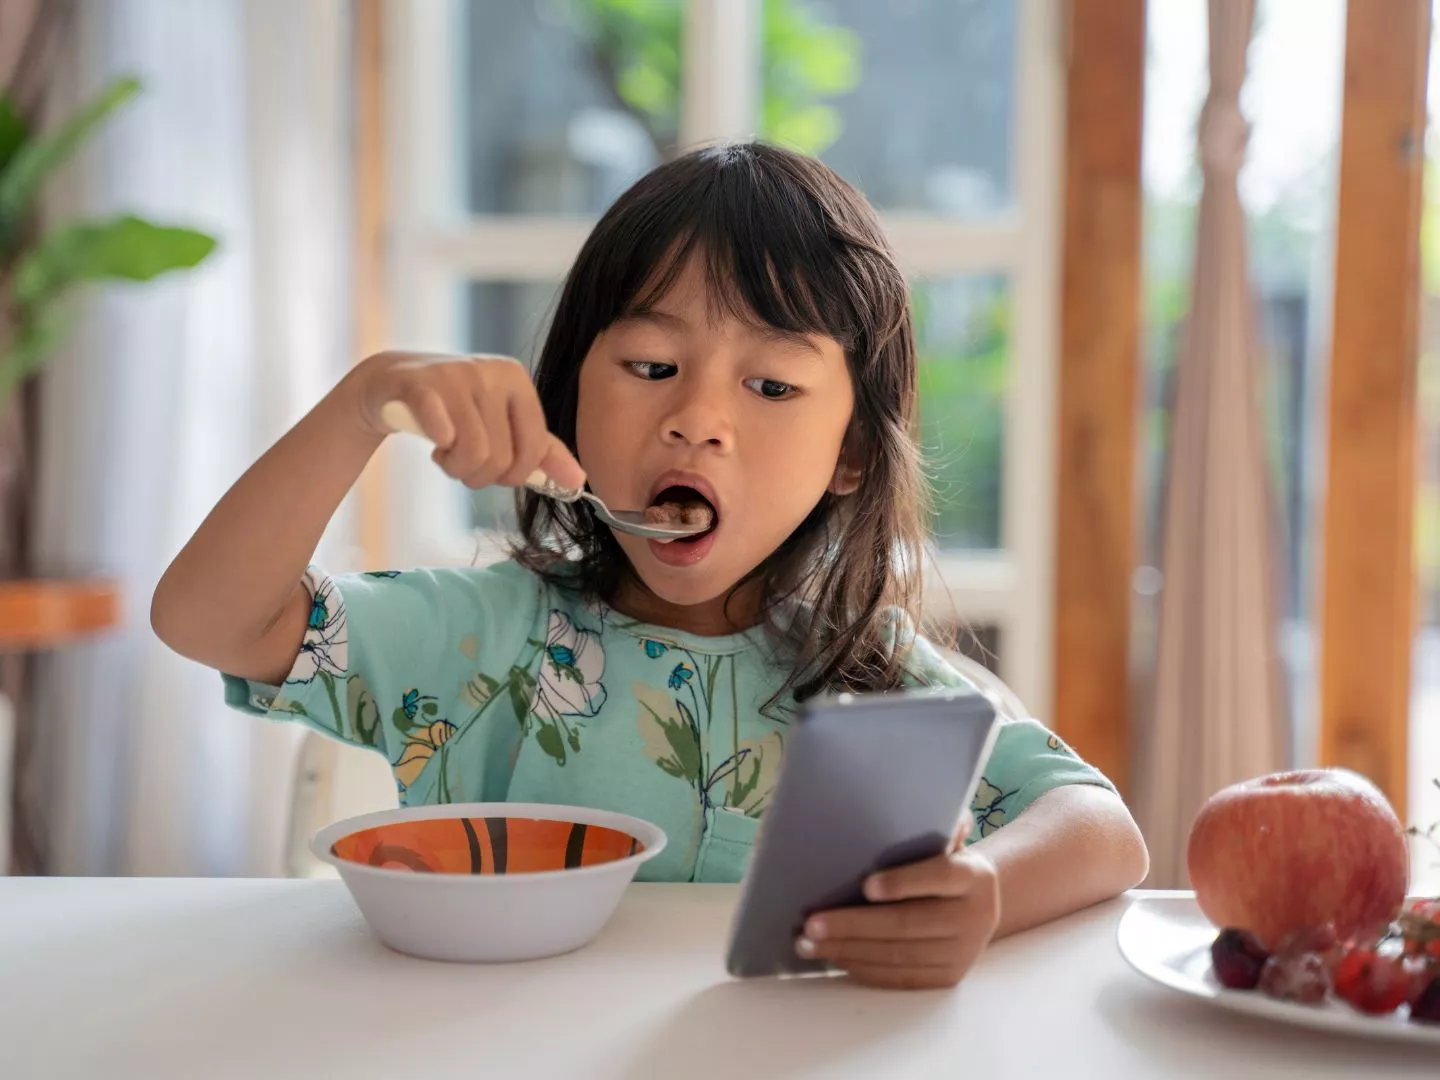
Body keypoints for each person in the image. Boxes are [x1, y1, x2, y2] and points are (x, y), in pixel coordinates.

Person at [153, 142, 1148, 989]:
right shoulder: (478, 640)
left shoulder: (870, 674)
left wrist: (986, 894)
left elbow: (1102, 829)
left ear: (850, 454)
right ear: (569, 394)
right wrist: (363, 404)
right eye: (650, 368)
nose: (696, 420)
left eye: (770, 383)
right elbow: (209, 619)